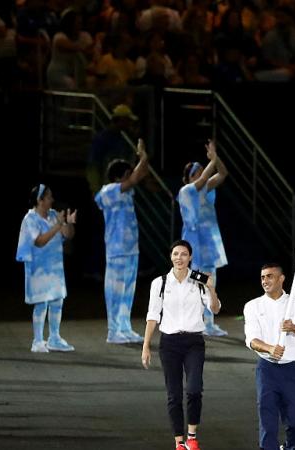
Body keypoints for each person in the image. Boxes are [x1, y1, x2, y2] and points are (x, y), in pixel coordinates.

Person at [141, 240, 221, 450]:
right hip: (169, 343)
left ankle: (192, 437)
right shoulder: (160, 283)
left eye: (184, 254)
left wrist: (211, 289)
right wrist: (146, 345)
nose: (179, 258)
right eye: (175, 254)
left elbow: (215, 309)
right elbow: (152, 315)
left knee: (194, 390)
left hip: (194, 342)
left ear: (190, 257)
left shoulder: (198, 280)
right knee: (174, 394)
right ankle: (179, 441)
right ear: (171, 257)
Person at [244, 263, 295, 450]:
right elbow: (251, 339)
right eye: (262, 277)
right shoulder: (253, 306)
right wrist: (269, 348)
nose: (265, 281)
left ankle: (291, 447)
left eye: (269, 276)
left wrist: (294, 328)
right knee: (267, 418)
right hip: (267, 368)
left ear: (281, 279)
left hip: (291, 369)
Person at [95, 138, 149, 344]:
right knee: (115, 290)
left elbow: (139, 175)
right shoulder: (109, 191)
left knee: (128, 289)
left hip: (130, 249)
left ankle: (124, 326)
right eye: (126, 174)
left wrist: (142, 161)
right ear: (119, 177)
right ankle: (113, 330)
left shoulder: (126, 193)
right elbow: (135, 178)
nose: (130, 177)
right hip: (117, 249)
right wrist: (143, 156)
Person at [15, 184, 77, 352]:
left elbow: (68, 235)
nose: (52, 200)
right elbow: (39, 241)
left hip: (55, 267)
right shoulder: (30, 219)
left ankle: (54, 338)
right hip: (38, 269)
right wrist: (57, 225)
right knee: (41, 303)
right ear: (39, 200)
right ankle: (37, 341)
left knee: (57, 301)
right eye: (49, 197)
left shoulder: (53, 215)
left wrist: (68, 223)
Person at [178, 140, 229, 337]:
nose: (200, 175)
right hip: (194, 243)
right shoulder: (187, 191)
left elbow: (222, 173)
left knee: (210, 282)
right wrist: (212, 160)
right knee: (195, 282)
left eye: (201, 171)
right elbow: (204, 179)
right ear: (188, 179)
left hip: (208, 243)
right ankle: (194, 322)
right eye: (195, 173)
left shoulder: (205, 189)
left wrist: (217, 160)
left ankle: (209, 323)